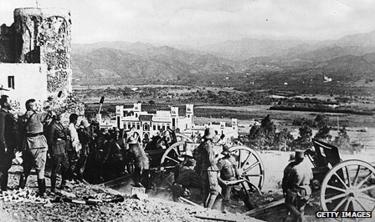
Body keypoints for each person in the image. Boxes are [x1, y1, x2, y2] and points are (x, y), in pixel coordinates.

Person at [19, 99, 52, 196]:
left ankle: (21, 188)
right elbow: (51, 114)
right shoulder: (38, 116)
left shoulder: (22, 118)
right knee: (40, 169)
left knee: (26, 168)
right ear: (32, 106)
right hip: (38, 144)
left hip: (26, 144)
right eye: (35, 105)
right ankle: (42, 192)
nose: (37, 107)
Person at [282, 150, 313, 222]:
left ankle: (299, 217)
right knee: (301, 209)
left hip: (297, 191)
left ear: (296, 158)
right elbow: (311, 178)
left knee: (288, 203)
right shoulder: (308, 168)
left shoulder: (294, 169)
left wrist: (285, 190)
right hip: (307, 191)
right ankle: (299, 217)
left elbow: (288, 182)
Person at [193, 127, 221, 208]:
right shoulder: (209, 145)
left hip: (203, 170)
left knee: (205, 191)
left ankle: (205, 208)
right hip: (210, 171)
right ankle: (208, 209)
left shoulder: (202, 144)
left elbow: (195, 154)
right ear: (212, 137)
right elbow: (211, 160)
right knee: (214, 191)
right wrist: (217, 158)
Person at [48, 113, 69, 192]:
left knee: (65, 166)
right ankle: (53, 188)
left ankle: (63, 184)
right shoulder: (52, 126)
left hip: (62, 148)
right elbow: (50, 140)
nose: (61, 118)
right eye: (59, 116)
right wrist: (51, 151)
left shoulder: (59, 124)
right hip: (56, 149)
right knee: (55, 169)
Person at [0, 95, 17, 192]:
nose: (11, 103)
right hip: (4, 145)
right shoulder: (2, 115)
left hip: (9, 145)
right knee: (3, 166)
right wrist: (4, 145)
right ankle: (2, 187)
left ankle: (3, 187)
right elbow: (1, 131)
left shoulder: (7, 114)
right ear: (5, 103)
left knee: (6, 166)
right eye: (10, 101)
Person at [217, 145, 240, 212]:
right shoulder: (221, 162)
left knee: (239, 194)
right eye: (227, 152)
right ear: (225, 153)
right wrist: (221, 181)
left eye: (230, 152)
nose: (229, 154)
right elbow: (217, 173)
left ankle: (239, 209)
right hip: (227, 181)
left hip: (234, 180)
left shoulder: (233, 159)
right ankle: (224, 210)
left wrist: (238, 176)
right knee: (226, 196)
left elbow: (236, 169)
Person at [67, 113, 82, 179]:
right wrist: (76, 150)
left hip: (71, 148)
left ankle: (70, 176)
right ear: (75, 120)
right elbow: (73, 140)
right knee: (73, 163)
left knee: (72, 163)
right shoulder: (71, 128)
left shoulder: (70, 127)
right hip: (73, 148)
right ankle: (70, 177)